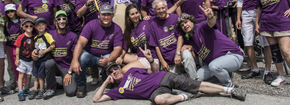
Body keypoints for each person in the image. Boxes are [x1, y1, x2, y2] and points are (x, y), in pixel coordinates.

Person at [92, 48, 247, 104]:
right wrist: (106, 83)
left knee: (196, 85)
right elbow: (96, 99)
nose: (115, 71)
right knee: (159, 101)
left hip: (162, 78)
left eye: (115, 68)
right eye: (111, 71)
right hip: (154, 93)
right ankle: (187, 96)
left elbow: (152, 71)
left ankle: (230, 90)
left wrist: (152, 60)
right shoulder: (116, 91)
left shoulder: (131, 71)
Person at [177, 6, 243, 87]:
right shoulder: (190, 40)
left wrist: (210, 16)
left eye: (186, 22)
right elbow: (196, 58)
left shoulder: (201, 27)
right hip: (212, 64)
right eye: (182, 25)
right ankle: (224, 76)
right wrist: (191, 50)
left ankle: (228, 86)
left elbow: (211, 23)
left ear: (192, 22)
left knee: (214, 66)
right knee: (197, 78)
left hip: (232, 55)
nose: (185, 25)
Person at [70, 4, 123, 98]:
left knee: (113, 61)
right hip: (89, 55)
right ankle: (81, 86)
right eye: (103, 14)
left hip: (106, 57)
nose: (106, 17)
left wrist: (109, 60)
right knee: (81, 58)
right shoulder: (91, 25)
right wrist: (74, 60)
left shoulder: (117, 29)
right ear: (99, 14)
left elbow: (117, 49)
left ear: (112, 15)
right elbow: (80, 43)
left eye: (108, 14)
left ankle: (106, 77)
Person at [236, 0, 272, 83]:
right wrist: (238, 18)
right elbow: (240, 0)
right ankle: (255, 69)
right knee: (248, 42)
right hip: (246, 11)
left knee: (265, 42)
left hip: (261, 11)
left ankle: (267, 70)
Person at [256, 0, 290, 87]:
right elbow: (259, 7)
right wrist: (256, 23)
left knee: (285, 51)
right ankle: (281, 76)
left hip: (282, 22)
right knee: (275, 52)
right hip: (267, 23)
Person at [149, 0, 198, 80]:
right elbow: (156, 46)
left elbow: (180, 36)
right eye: (158, 9)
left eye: (163, 8)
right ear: (154, 11)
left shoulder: (175, 18)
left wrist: (178, 54)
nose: (161, 10)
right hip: (167, 59)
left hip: (180, 51)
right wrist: (163, 62)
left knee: (187, 55)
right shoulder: (153, 25)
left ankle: (195, 82)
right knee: (172, 83)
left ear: (166, 7)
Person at [43, 10, 78, 98]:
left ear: (66, 20)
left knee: (71, 92)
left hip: (67, 67)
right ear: (55, 21)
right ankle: (51, 88)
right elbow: (40, 46)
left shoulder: (73, 36)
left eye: (64, 18)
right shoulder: (50, 34)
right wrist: (35, 52)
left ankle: (64, 81)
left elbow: (75, 57)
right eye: (59, 19)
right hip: (54, 66)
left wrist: (69, 72)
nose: (61, 21)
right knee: (48, 63)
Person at [116, 4, 159, 72]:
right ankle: (142, 71)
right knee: (117, 58)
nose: (136, 15)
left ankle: (149, 71)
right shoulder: (128, 31)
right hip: (139, 56)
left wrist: (177, 4)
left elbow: (162, 16)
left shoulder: (147, 22)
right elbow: (125, 48)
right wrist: (120, 57)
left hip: (150, 57)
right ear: (128, 17)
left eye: (137, 13)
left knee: (124, 70)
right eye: (132, 14)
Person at [29, 17, 55, 100]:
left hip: (45, 59)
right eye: (38, 25)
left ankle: (41, 89)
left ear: (46, 26)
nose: (41, 27)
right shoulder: (36, 38)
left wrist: (45, 51)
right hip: (38, 60)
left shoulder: (47, 35)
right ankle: (35, 89)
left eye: (43, 25)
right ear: (35, 27)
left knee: (41, 76)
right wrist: (33, 52)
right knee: (36, 75)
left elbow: (53, 45)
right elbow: (36, 48)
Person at [14, 18, 35, 101]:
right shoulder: (21, 37)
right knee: (21, 75)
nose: (28, 27)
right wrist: (17, 58)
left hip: (30, 60)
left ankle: (26, 89)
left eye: (31, 25)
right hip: (22, 59)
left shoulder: (34, 37)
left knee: (29, 75)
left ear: (33, 27)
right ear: (23, 27)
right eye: (26, 26)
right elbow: (18, 48)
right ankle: (20, 91)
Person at [4, 4, 22, 92]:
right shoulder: (6, 24)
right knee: (13, 65)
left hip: (21, 46)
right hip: (11, 46)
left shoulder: (21, 21)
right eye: (8, 12)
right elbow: (5, 36)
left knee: (22, 63)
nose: (10, 13)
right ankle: (17, 81)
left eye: (12, 11)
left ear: (15, 11)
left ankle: (23, 81)